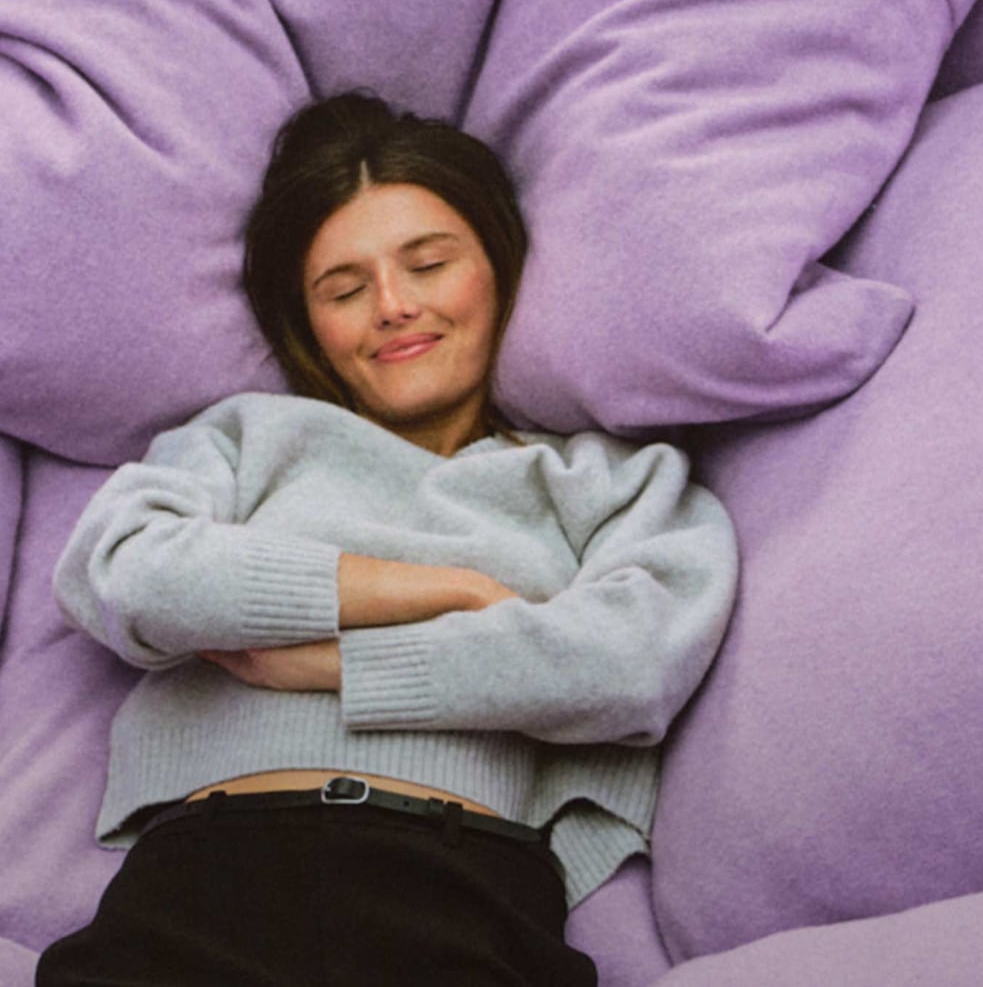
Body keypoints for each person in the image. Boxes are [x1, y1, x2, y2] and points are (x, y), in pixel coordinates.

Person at [36, 92, 739, 986]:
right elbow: (123, 572)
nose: (395, 307)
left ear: (499, 265)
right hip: (208, 877)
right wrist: (452, 593)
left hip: (464, 887)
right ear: (310, 326)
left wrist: (337, 666)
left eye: (430, 263)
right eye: (345, 288)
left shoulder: (612, 481)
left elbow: (630, 665)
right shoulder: (245, 437)